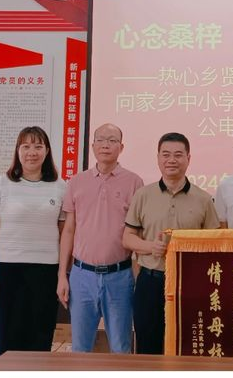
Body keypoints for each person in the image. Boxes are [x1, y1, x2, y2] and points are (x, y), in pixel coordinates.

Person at [122, 132, 220, 355]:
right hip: (151, 281)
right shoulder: (143, 195)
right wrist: (150, 247)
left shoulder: (203, 198)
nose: (171, 160)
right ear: (158, 158)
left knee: (189, 348)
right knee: (148, 348)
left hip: (191, 284)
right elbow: (127, 238)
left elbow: (214, 243)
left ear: (188, 158)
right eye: (166, 155)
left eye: (178, 155)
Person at [0, 126, 67, 358]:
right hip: (8, 272)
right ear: (18, 151)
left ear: (47, 151)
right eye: (26, 146)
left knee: (40, 341)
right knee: (6, 343)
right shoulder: (0, 185)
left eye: (38, 146)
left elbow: (66, 235)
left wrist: (62, 275)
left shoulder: (60, 187)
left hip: (46, 273)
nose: (32, 152)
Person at [57, 123, 144, 353]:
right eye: (101, 140)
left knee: (121, 347)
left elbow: (138, 232)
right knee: (80, 348)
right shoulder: (76, 181)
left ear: (121, 147)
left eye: (112, 140)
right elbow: (68, 230)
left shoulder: (134, 182)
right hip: (81, 276)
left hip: (120, 276)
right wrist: (62, 276)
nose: (106, 145)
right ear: (93, 145)